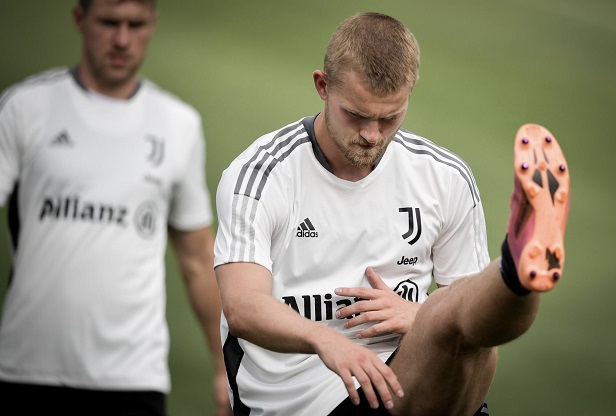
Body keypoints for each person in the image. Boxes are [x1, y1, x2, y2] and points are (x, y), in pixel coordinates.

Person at [213, 12, 570, 416]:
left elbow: (480, 328)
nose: (371, 135)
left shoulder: (444, 177)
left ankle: (520, 269)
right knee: (447, 319)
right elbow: (242, 306)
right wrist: (324, 340)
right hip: (300, 402)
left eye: (389, 118)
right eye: (356, 115)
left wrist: (418, 316)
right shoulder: (261, 174)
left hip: (406, 384)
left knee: (464, 329)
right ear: (322, 86)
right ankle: (511, 267)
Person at [0, 1, 231, 415]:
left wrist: (223, 368)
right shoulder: (24, 108)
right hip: (26, 367)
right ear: (79, 19)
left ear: (152, 24)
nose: (122, 39)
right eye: (109, 22)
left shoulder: (178, 124)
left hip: (133, 376)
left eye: (135, 25)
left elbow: (197, 259)